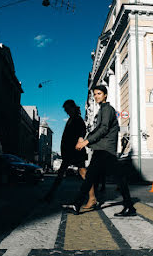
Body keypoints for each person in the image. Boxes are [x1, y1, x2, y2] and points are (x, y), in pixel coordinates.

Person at [63, 85, 136, 217]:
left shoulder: (107, 109)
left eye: (99, 94)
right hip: (102, 149)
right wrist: (86, 140)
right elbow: (97, 130)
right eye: (95, 94)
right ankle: (77, 204)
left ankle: (130, 207)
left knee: (112, 178)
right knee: (92, 177)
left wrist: (86, 142)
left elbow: (103, 129)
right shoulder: (102, 109)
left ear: (105, 95)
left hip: (105, 149)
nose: (96, 96)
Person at [42, 100, 97, 208]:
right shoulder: (72, 119)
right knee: (63, 173)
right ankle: (50, 195)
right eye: (65, 109)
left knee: (82, 173)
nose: (66, 111)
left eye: (68, 108)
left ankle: (92, 197)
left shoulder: (77, 119)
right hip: (70, 152)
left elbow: (82, 131)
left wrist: (80, 140)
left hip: (76, 151)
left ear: (73, 107)